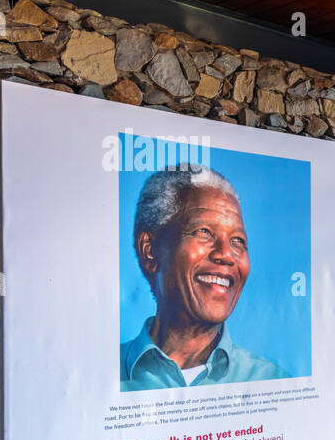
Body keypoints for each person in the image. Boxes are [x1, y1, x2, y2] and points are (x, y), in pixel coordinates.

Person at [120, 165, 288, 391]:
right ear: (150, 250)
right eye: (204, 232)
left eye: (238, 240)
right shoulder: (100, 376)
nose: (226, 255)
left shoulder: (272, 382)